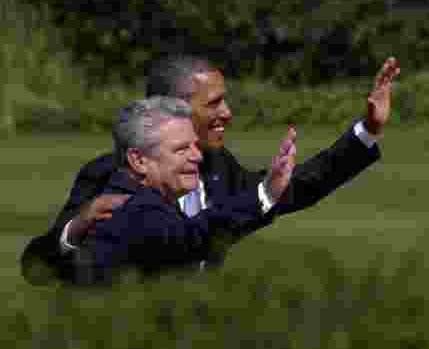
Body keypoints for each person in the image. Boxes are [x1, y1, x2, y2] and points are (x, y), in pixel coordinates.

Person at [20, 54, 401, 285]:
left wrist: (366, 132)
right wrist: (74, 228)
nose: (227, 114)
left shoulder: (218, 167)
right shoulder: (111, 178)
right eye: (214, 103)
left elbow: (292, 188)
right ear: (172, 108)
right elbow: (39, 268)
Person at [73, 96, 297, 285]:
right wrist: (265, 193)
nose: (198, 156)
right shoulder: (130, 207)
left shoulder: (147, 199)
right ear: (139, 159)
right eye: (181, 149)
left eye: (195, 146)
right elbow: (191, 236)